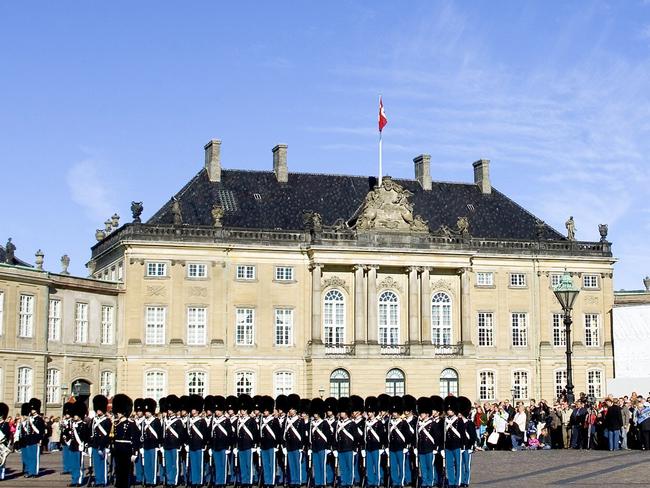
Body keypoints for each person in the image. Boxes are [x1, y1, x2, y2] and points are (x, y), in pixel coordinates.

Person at [111, 394, 141, 488]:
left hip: (126, 450)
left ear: (123, 412)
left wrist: (135, 452)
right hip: (118, 450)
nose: (118, 414)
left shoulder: (131, 424)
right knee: (118, 470)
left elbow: (136, 439)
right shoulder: (116, 424)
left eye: (119, 412)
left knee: (126, 471)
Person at [89, 395, 112, 487]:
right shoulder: (94, 420)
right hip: (95, 444)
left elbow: (108, 435)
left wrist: (105, 446)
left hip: (103, 445)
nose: (98, 411)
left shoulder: (107, 421)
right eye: (97, 409)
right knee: (96, 464)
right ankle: (98, 480)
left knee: (102, 464)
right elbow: (91, 433)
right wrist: (89, 445)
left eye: (99, 409)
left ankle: (103, 481)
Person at [443, 396, 465, 488]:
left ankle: (457, 482)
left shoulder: (459, 421)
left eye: (451, 409)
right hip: (448, 445)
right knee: (449, 465)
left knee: (458, 464)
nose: (449, 411)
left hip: (457, 445)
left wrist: (463, 446)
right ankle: (451, 482)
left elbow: (462, 434)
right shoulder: (445, 421)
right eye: (448, 409)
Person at [68, 401, 89, 487]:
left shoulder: (83, 425)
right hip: (73, 446)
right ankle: (74, 479)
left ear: (79, 415)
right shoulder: (73, 424)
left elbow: (85, 437)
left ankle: (79, 480)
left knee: (79, 465)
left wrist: (85, 447)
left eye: (76, 415)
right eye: (74, 415)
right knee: (73, 464)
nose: (75, 416)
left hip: (79, 446)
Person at [0, 403, 10, 481]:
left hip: (2, 444)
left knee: (2, 462)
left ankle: (2, 475)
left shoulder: (5, 424)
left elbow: (7, 435)